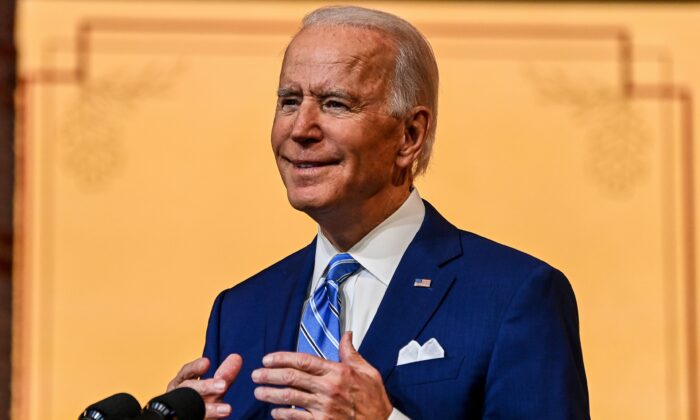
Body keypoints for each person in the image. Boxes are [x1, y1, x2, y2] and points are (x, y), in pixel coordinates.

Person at [167, 6, 589, 420]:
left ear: (410, 135)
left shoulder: (516, 295)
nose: (300, 129)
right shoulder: (240, 309)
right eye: (289, 101)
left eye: (335, 103)